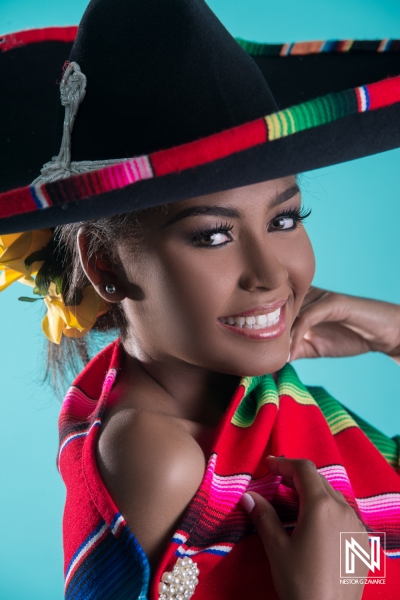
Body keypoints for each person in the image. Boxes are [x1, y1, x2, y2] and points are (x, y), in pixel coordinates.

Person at [0, 1, 399, 599]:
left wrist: (392, 333)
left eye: (286, 219)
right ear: (105, 266)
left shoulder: (244, 394)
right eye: (213, 235)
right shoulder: (161, 460)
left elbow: (359, 552)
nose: (269, 276)